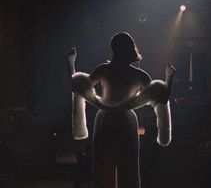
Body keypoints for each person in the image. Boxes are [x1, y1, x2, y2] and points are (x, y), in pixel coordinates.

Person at [67, 32, 175, 188]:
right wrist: (169, 77)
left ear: (114, 48)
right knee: (126, 167)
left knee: (104, 166)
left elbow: (78, 87)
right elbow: (162, 97)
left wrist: (70, 64)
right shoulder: (137, 74)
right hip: (122, 121)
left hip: (108, 120)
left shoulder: (105, 70)